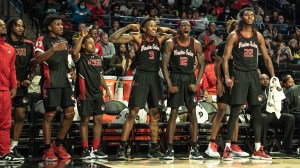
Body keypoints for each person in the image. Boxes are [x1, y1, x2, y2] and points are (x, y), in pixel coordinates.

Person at [109, 18, 177, 160]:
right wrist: (128, 26)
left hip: (155, 77)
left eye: (155, 25)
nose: (154, 27)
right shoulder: (137, 37)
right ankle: (121, 148)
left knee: (155, 115)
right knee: (133, 112)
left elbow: (179, 35)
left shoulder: (160, 38)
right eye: (151, 26)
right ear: (144, 29)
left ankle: (153, 148)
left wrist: (166, 29)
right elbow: (113, 38)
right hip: (141, 76)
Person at [222, 8, 275, 161]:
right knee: (235, 111)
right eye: (247, 14)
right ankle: (227, 148)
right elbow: (225, 58)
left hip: (253, 75)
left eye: (252, 14)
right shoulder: (234, 35)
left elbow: (266, 59)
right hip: (239, 74)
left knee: (257, 111)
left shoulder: (258, 36)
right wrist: (226, 77)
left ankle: (258, 149)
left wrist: (273, 77)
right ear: (241, 17)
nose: (250, 16)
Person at [32, 14, 76, 161]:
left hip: (64, 82)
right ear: (50, 27)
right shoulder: (42, 40)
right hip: (50, 82)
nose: (61, 26)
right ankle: (47, 150)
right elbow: (37, 60)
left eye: (61, 24)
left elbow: (63, 61)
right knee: (49, 116)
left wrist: (70, 70)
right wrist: (53, 49)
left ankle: (58, 144)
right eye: (58, 24)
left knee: (70, 113)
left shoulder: (63, 41)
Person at [205, 19, 249, 158]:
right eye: (235, 28)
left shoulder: (244, 45)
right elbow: (217, 65)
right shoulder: (224, 44)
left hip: (239, 81)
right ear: (230, 30)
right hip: (225, 81)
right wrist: (219, 81)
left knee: (235, 113)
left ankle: (234, 144)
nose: (238, 30)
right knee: (222, 110)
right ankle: (211, 144)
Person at [162, 20, 205, 160]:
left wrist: (197, 83)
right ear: (179, 28)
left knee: (193, 112)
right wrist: (169, 84)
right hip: (176, 77)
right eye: (183, 25)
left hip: (190, 78)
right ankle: (169, 148)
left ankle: (194, 148)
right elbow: (164, 65)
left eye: (188, 26)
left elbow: (202, 65)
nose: (186, 27)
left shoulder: (196, 44)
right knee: (173, 112)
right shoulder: (170, 42)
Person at [72, 28, 112, 159]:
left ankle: (95, 149)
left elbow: (100, 75)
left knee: (98, 120)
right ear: (83, 46)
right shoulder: (80, 57)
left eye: (93, 43)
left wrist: (106, 88)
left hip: (97, 94)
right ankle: (85, 149)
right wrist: (82, 37)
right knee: (84, 121)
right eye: (89, 43)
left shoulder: (98, 58)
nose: (93, 45)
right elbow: (74, 52)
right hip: (85, 94)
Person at [6, 18, 36, 160]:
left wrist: (29, 79)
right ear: (10, 27)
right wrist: (12, 82)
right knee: (3, 119)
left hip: (22, 87)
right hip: (5, 86)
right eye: (17, 25)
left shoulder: (29, 44)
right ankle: (3, 147)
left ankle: (13, 146)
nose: (20, 28)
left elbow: (34, 65)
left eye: (22, 26)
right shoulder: (4, 43)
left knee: (20, 115)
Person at [0, 19, 20, 162]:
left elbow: (12, 69)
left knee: (5, 123)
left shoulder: (10, 49)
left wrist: (14, 86)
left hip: (4, 91)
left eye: (3, 25)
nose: (3, 26)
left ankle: (4, 152)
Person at [260, 74, 295, 154]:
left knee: (290, 117)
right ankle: (262, 147)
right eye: (262, 79)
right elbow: (251, 108)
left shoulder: (273, 90)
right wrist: (268, 103)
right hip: (262, 115)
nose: (265, 80)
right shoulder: (256, 91)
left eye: (267, 79)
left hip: (274, 115)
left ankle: (286, 147)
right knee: (264, 117)